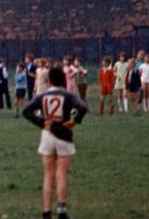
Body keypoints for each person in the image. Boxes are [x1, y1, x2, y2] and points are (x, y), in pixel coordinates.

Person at [22, 65, 88, 219]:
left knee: (48, 175)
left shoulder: (42, 96)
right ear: (64, 80)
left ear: (49, 80)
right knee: (62, 175)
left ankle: (46, 212)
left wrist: (41, 122)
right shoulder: (68, 95)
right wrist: (74, 121)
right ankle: (61, 211)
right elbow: (82, 107)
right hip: (64, 134)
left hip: (47, 134)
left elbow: (26, 111)